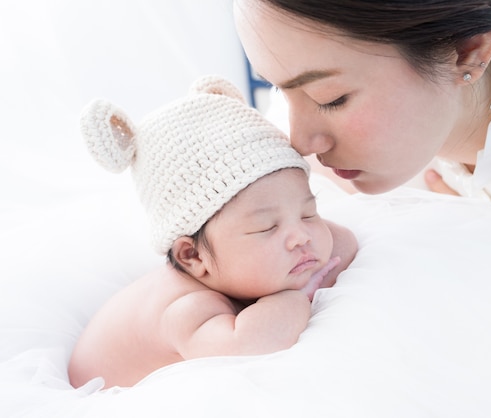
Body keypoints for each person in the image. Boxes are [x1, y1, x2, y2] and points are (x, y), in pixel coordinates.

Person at [233, 0, 491, 272]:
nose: (300, 141)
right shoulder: (413, 138)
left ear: (468, 52)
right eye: (280, 90)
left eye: (331, 99)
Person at [68, 75, 357, 389]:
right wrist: (295, 295)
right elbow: (252, 345)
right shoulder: (188, 310)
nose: (301, 235)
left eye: (307, 212)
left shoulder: (242, 259)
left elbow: (343, 242)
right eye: (267, 227)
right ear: (193, 256)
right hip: (104, 395)